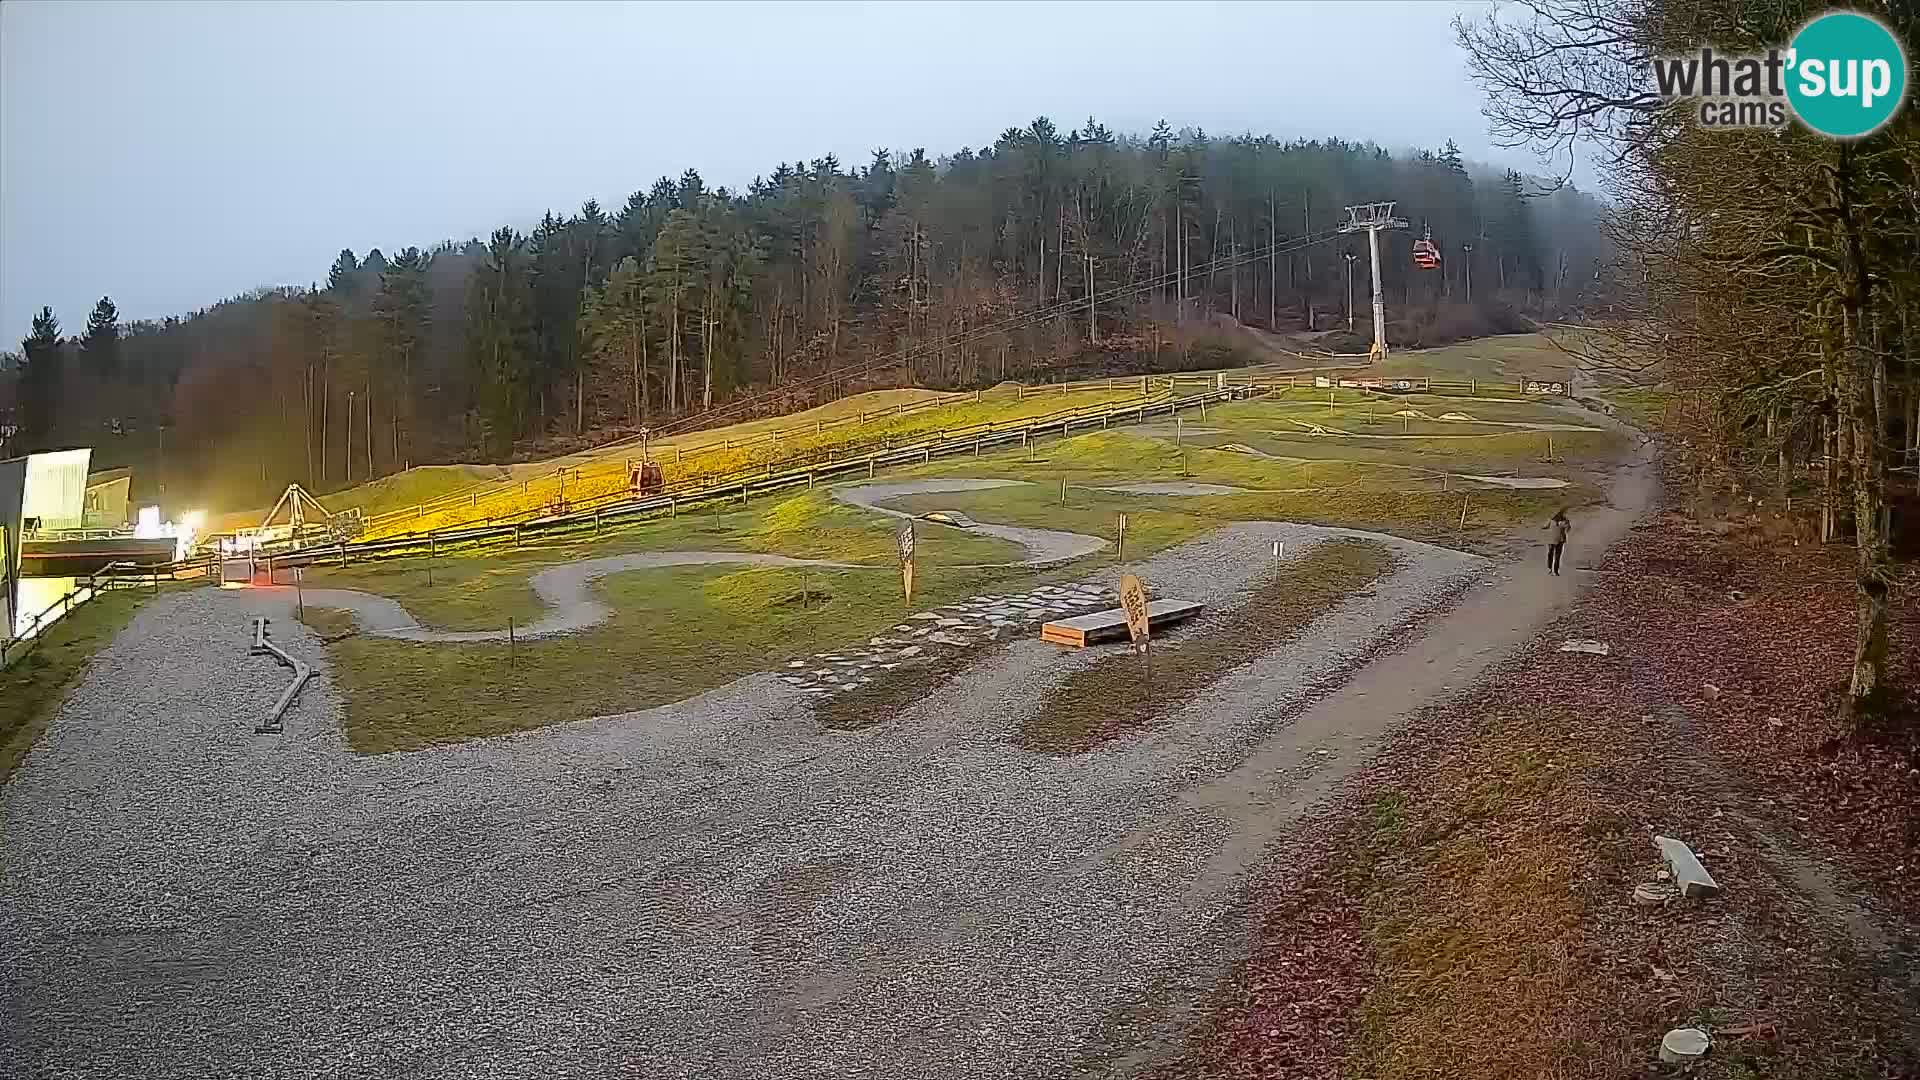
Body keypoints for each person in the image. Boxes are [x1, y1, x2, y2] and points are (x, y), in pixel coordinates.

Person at [1545, 509, 1570, 576]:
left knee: (1552, 554)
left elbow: (1544, 526)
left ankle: (1551, 569)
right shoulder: (1564, 521)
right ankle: (1554, 570)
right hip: (1558, 540)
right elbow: (1568, 529)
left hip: (1554, 540)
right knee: (1556, 555)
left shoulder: (1551, 520)